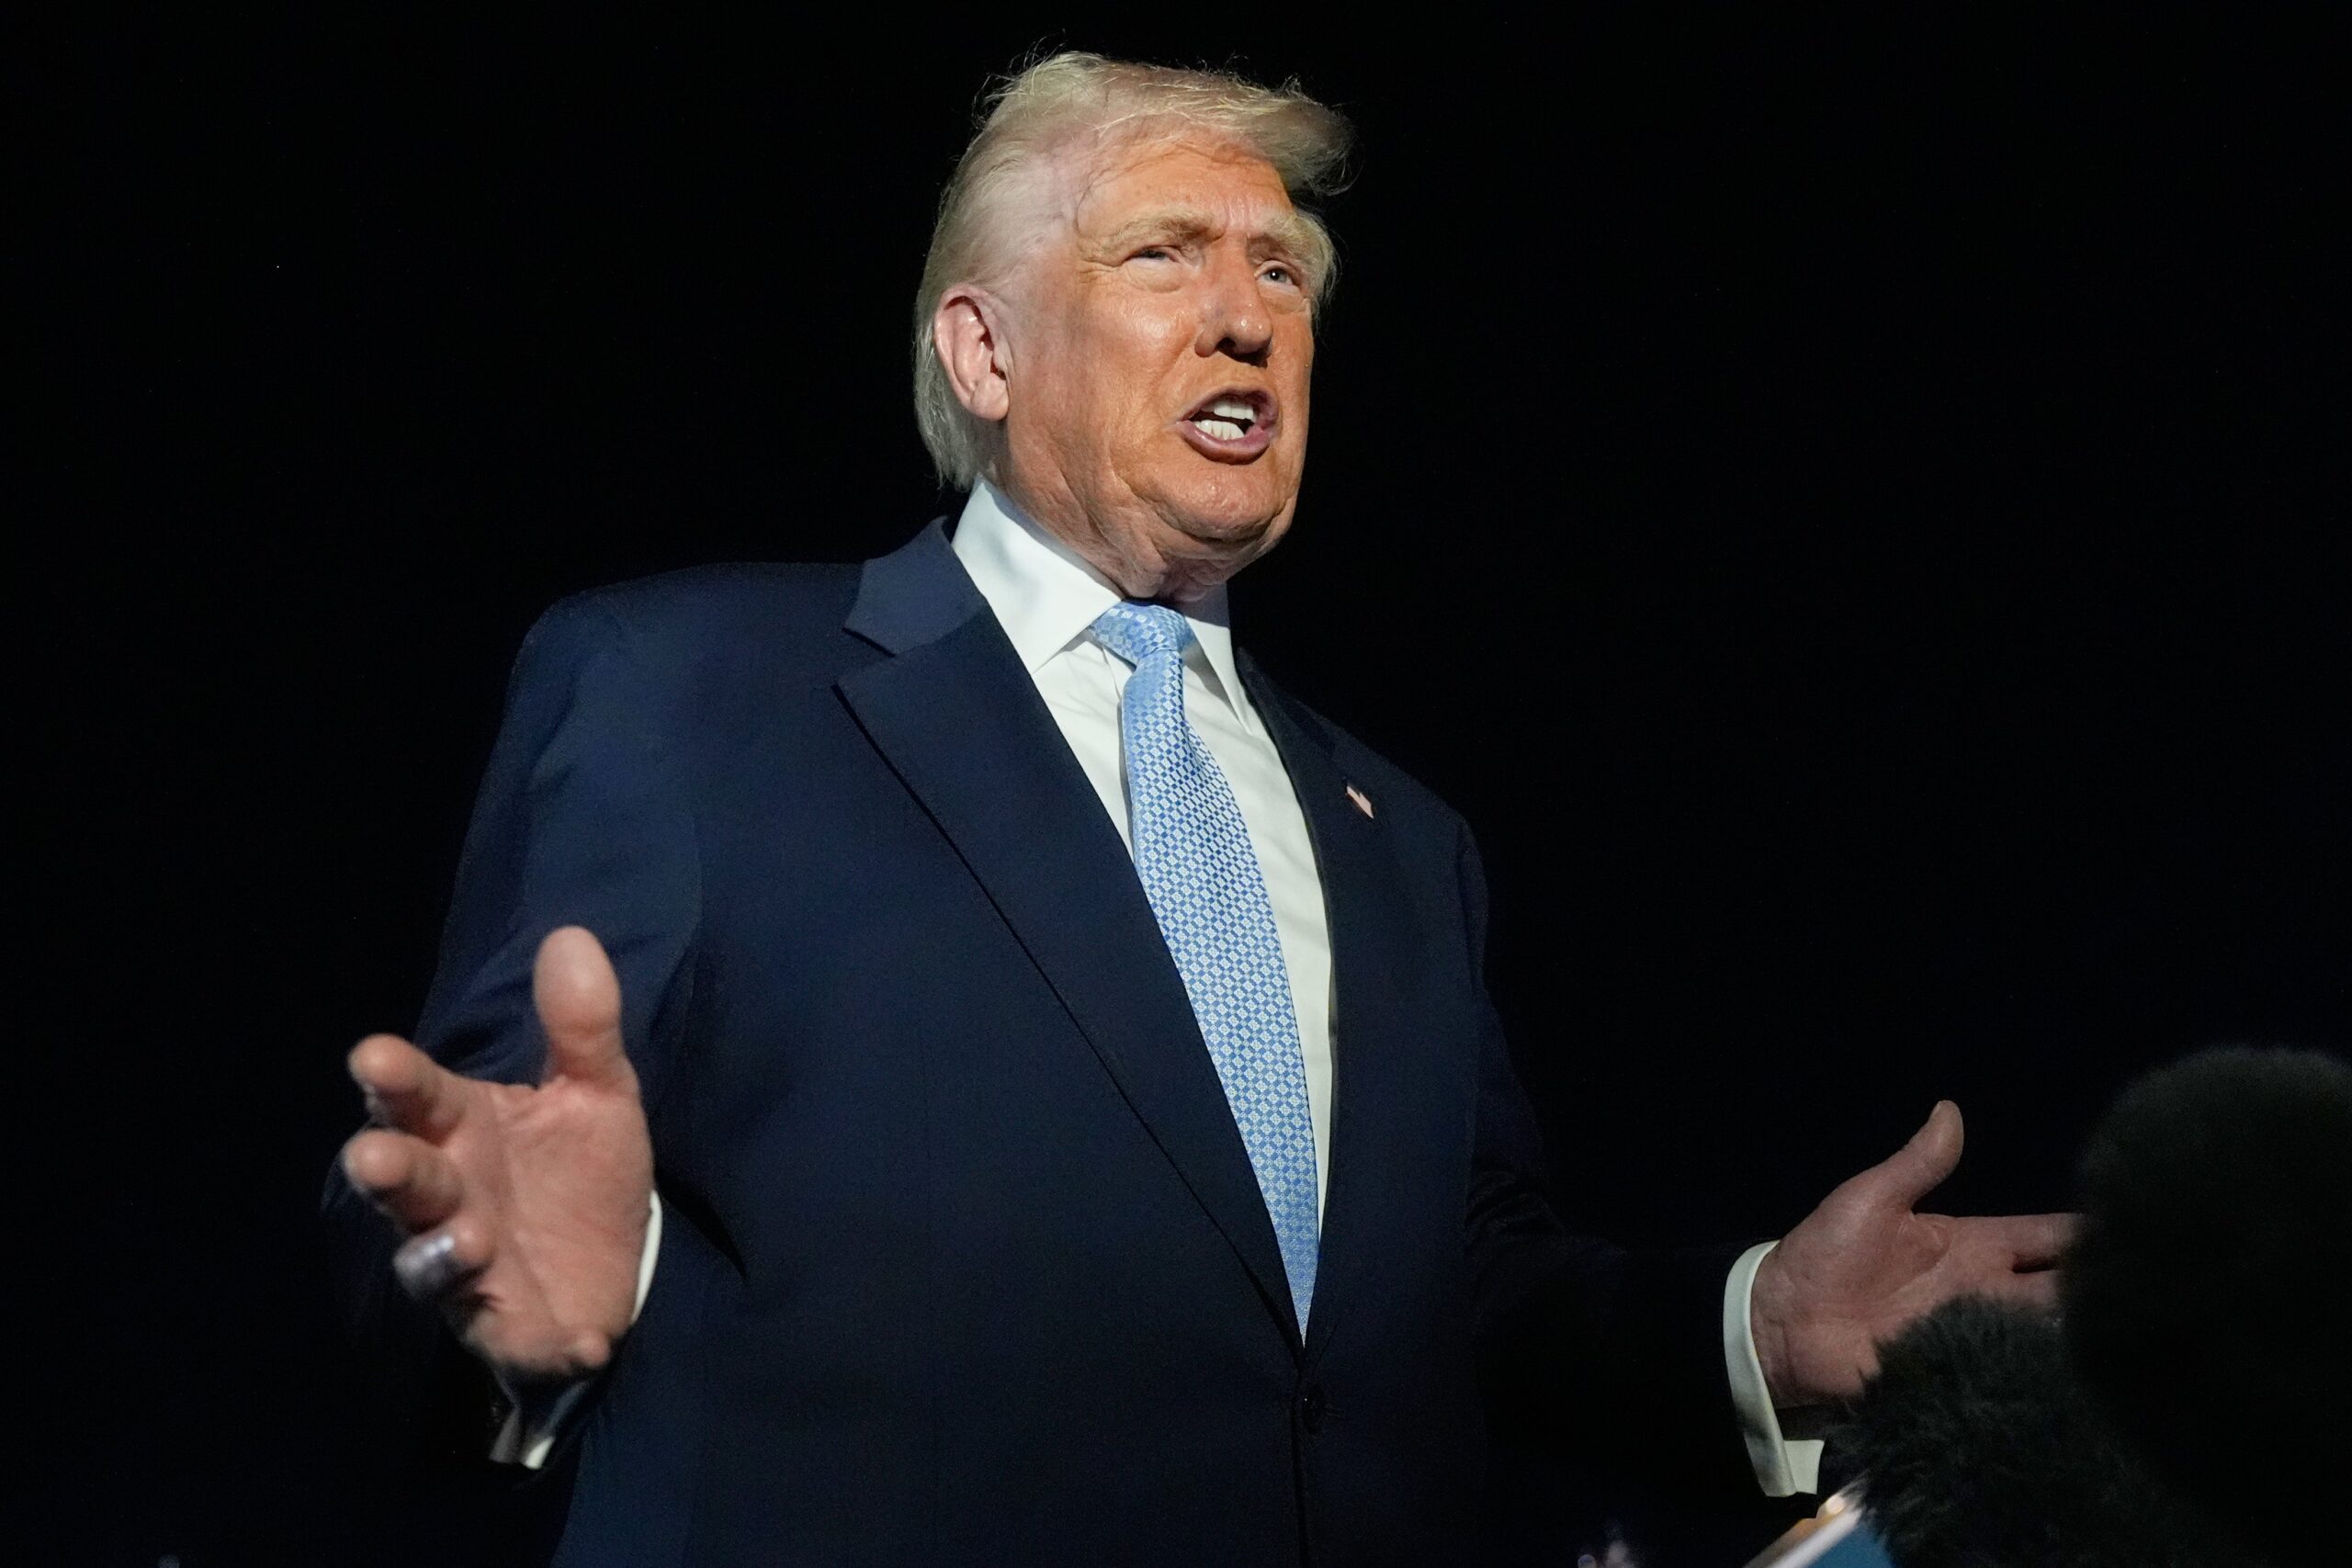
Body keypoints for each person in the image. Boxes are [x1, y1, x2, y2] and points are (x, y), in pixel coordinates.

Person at [325, 52, 2070, 1566]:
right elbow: (471, 1174)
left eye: (1286, 272)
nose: (1250, 314)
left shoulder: (1405, 840)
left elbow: (1448, 1297)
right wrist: (508, 1294)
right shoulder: (693, 691)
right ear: (984, 351)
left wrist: (1745, 1332)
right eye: (1163, 252)